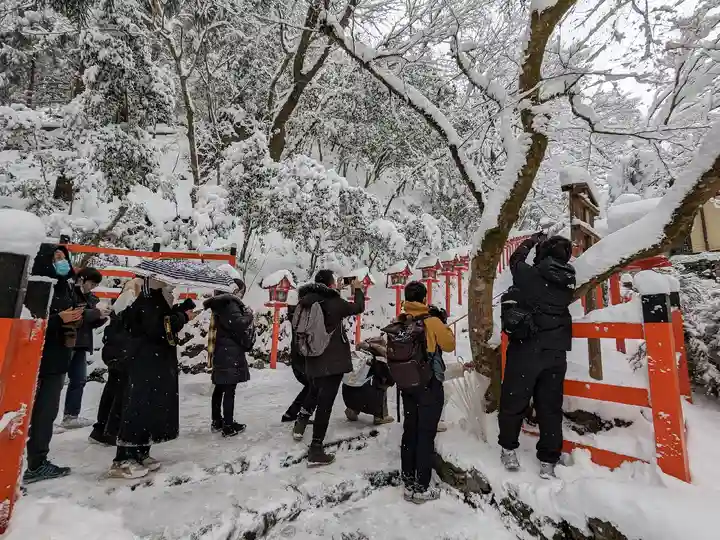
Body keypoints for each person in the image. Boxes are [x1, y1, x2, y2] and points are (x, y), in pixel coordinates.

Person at [498, 233, 575, 480]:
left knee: (514, 400)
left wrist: (530, 241)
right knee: (550, 407)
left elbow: (515, 260)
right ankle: (548, 460)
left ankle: (509, 448)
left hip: (527, 349)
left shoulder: (531, 276)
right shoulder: (568, 279)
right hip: (556, 352)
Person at [109, 277, 196, 479]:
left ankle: (141, 450)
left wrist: (179, 312)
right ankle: (123, 458)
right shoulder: (149, 300)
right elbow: (158, 328)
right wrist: (182, 317)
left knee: (149, 406)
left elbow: (162, 323)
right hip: (144, 361)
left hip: (154, 362)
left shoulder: (157, 299)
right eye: (168, 284)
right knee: (138, 407)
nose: (172, 288)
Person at [292, 270, 365, 466]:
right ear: (331, 285)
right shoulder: (335, 303)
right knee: (325, 404)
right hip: (331, 361)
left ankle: (300, 424)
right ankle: (316, 448)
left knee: (314, 391)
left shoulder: (306, 300)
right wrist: (357, 289)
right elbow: (358, 307)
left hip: (311, 358)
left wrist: (335, 291)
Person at [24, 243, 84, 484]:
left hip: (58, 358)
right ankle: (32, 464)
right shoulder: (36, 288)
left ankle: (37, 460)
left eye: (63, 257)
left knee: (45, 414)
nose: (61, 261)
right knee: (32, 414)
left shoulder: (64, 286)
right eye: (56, 257)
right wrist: (59, 319)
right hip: (37, 360)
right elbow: (29, 323)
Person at [392, 281, 455, 504]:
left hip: (407, 384)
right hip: (428, 385)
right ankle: (421, 487)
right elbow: (449, 345)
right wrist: (441, 322)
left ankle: (408, 479)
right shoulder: (432, 321)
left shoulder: (400, 321)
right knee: (426, 434)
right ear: (424, 298)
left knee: (410, 430)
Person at [89, 278, 143, 446]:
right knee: (117, 393)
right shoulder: (129, 299)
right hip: (122, 352)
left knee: (112, 391)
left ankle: (101, 428)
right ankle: (109, 430)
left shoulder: (123, 298)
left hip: (116, 351)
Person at [204, 278, 256, 437]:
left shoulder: (219, 304)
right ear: (235, 290)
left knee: (219, 387)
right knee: (229, 389)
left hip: (221, 349)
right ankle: (228, 425)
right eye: (241, 291)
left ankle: (217, 421)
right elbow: (239, 324)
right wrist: (248, 315)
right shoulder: (231, 304)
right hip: (230, 352)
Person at [61, 267, 107, 429]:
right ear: (82, 279)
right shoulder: (68, 292)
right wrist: (95, 313)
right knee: (56, 380)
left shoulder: (92, 298)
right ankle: (42, 415)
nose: (93, 287)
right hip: (65, 341)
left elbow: (90, 320)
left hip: (82, 343)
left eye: (95, 284)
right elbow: (74, 314)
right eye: (91, 283)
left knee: (79, 380)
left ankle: (71, 415)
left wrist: (102, 317)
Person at [343, 337, 394, 425]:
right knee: (381, 385)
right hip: (368, 397)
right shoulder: (378, 359)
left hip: (348, 394)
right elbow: (390, 378)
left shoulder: (356, 355)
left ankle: (352, 410)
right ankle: (380, 416)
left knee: (358, 381)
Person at [282, 289, 314, 423]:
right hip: (303, 357)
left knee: (311, 386)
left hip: (297, 356)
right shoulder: (302, 316)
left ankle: (292, 413)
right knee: (313, 386)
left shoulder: (295, 314)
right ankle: (299, 414)